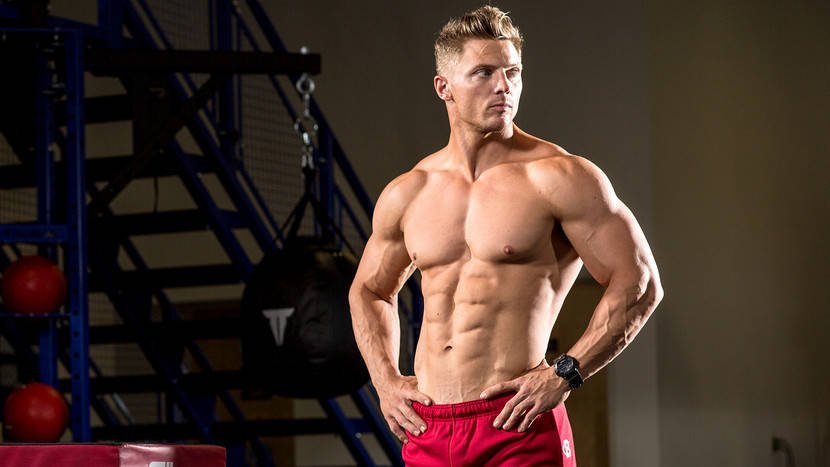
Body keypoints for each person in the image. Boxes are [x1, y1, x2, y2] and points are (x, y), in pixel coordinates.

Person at [349, 5, 663, 466]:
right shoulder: (410, 191)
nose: (504, 85)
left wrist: (565, 373)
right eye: (484, 73)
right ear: (444, 87)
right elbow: (369, 290)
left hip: (517, 425)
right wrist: (385, 381)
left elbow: (640, 283)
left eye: (512, 72)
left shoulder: (558, 177)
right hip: (429, 428)